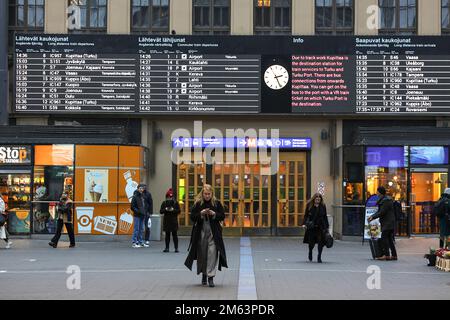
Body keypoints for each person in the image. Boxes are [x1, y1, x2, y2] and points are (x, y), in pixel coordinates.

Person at [184, 184, 228, 288]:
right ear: (202, 194)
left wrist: (214, 214)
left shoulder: (217, 204)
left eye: (209, 194)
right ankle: (204, 273)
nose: (207, 196)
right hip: (200, 232)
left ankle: (210, 277)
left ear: (212, 194)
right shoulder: (198, 203)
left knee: (212, 253)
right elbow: (192, 217)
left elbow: (222, 216)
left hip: (214, 233)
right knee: (202, 253)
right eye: (205, 194)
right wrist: (201, 214)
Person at [368, 186, 397, 261]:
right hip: (389, 222)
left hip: (388, 223)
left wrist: (373, 217)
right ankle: (394, 255)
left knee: (385, 238)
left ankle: (386, 255)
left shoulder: (385, 201)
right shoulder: (385, 200)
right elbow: (381, 211)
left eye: (377, 191)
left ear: (380, 193)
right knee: (390, 239)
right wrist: (372, 216)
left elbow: (382, 212)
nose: (376, 193)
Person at [302, 193, 329, 263]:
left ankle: (319, 256)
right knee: (311, 243)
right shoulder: (309, 205)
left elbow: (325, 216)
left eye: (319, 198)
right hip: (312, 227)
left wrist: (327, 227)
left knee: (321, 242)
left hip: (320, 227)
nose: (318, 199)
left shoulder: (323, 206)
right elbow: (306, 215)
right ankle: (310, 251)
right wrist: (304, 224)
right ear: (314, 198)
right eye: (317, 198)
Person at [131, 184, 152, 248]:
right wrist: (137, 211)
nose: (141, 189)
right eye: (140, 188)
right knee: (136, 229)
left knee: (141, 229)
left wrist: (146, 211)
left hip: (143, 215)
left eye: (142, 188)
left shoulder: (143, 196)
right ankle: (134, 242)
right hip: (137, 215)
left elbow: (146, 205)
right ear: (137, 189)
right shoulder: (135, 196)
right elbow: (132, 206)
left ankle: (140, 242)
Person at [160, 188, 181, 252]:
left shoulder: (175, 203)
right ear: (166, 197)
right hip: (167, 221)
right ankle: (167, 248)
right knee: (167, 235)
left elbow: (179, 211)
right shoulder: (164, 203)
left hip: (173, 221)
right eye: (168, 197)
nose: (169, 198)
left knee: (175, 235)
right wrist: (165, 209)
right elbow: (161, 211)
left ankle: (176, 248)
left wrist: (173, 210)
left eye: (171, 197)